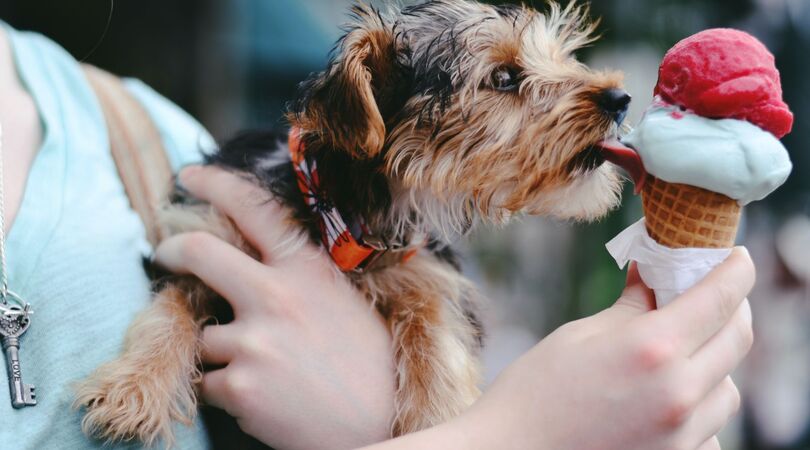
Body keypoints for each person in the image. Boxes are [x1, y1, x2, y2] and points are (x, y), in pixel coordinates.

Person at [1, 20, 753, 450]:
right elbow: (183, 287)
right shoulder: (223, 186)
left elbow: (443, 397)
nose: (605, 92)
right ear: (374, 110)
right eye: (505, 80)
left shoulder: (143, 136)